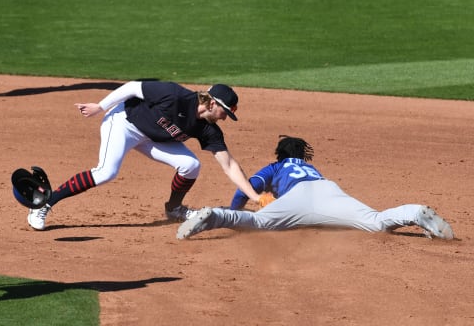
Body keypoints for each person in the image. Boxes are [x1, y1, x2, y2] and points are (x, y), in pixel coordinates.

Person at [27, 80, 260, 230]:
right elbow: (131, 87)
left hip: (152, 139)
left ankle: (174, 209)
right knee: (107, 172)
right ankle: (44, 203)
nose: (224, 118)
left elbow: (229, 165)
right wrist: (100, 106)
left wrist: (255, 197)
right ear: (211, 103)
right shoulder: (175, 95)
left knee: (191, 164)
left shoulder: (208, 129)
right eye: (225, 112)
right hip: (124, 124)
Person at [176, 135, 454, 240]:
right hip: (328, 189)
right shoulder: (312, 168)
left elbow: (244, 189)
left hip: (297, 201)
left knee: (256, 222)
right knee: (376, 222)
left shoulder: (276, 167)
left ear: (280, 154)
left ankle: (214, 216)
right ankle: (414, 212)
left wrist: (238, 209)